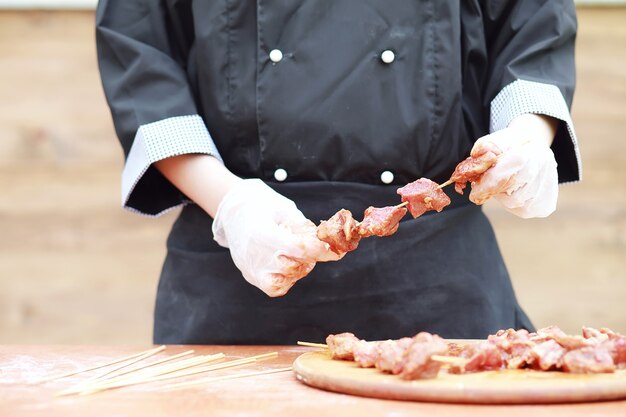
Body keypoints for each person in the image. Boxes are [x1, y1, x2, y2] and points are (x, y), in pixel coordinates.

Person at [95, 1, 581, 344]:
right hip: (234, 277)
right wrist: (232, 205)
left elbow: (534, 25)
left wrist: (527, 136)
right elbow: (140, 49)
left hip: (435, 281)